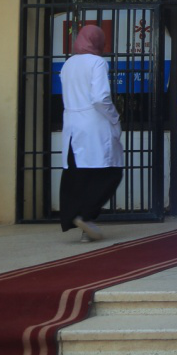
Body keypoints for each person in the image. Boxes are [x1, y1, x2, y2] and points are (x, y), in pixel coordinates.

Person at [59, 24, 123, 241]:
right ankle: (86, 216)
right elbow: (100, 97)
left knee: (79, 175)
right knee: (110, 173)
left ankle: (81, 222)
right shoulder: (97, 62)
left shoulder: (68, 64)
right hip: (94, 124)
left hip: (72, 124)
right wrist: (114, 117)